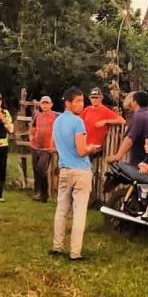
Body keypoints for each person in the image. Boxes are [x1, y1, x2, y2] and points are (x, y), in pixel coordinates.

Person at [50, 87, 101, 261]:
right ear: (68, 103)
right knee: (79, 213)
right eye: (78, 101)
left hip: (64, 169)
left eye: (82, 100)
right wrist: (91, 148)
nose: (81, 104)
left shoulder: (57, 122)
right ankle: (75, 252)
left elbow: (55, 145)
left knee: (61, 209)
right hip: (81, 170)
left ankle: (57, 246)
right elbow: (80, 151)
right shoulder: (78, 122)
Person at [107, 91, 148, 166]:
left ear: (135, 102)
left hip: (139, 163)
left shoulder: (138, 116)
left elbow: (130, 139)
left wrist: (117, 156)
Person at [29, 95, 57, 202]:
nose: (45, 105)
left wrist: (55, 145)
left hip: (47, 147)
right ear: (40, 105)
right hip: (36, 146)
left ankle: (44, 194)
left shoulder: (55, 116)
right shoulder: (37, 116)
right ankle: (37, 192)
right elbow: (32, 127)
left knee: (41, 169)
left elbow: (59, 130)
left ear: (51, 105)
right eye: (43, 103)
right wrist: (31, 137)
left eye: (47, 103)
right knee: (35, 169)